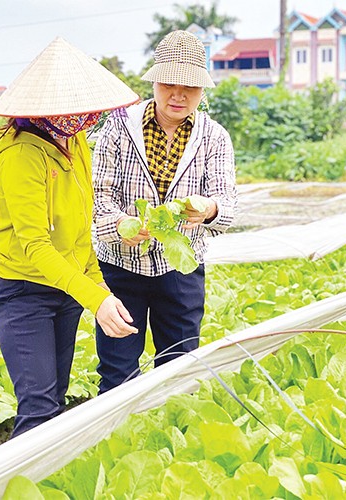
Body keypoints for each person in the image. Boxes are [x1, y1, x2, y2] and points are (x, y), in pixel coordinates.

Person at [0, 37, 140, 437]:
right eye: (78, 110)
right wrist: (96, 300)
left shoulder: (75, 143)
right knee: (38, 408)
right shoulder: (21, 155)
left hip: (65, 290)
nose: (86, 118)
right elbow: (35, 245)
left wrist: (100, 290)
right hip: (22, 292)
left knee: (56, 400)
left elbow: (80, 234)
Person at [92, 30, 237, 393]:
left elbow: (228, 204)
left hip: (181, 268)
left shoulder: (214, 136)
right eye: (170, 83)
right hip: (121, 267)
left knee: (180, 367)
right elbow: (97, 198)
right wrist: (121, 224)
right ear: (155, 80)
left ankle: (171, 442)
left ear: (202, 91)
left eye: (190, 87)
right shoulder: (118, 127)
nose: (179, 95)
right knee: (117, 370)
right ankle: (115, 441)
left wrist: (208, 209)